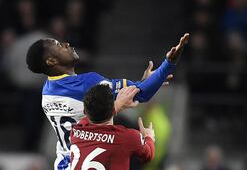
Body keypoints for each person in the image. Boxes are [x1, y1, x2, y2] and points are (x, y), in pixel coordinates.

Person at [25, 33, 189, 170]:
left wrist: (139, 84)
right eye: (59, 45)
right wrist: (169, 64)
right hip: (92, 160)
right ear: (51, 61)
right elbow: (142, 94)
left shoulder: (47, 91)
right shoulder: (88, 84)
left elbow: (87, 117)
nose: (66, 44)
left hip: (65, 163)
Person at [70, 84, 155, 170]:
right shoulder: (128, 137)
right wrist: (149, 137)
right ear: (113, 110)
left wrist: (118, 105)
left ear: (84, 111)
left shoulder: (75, 130)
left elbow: (87, 119)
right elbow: (148, 155)